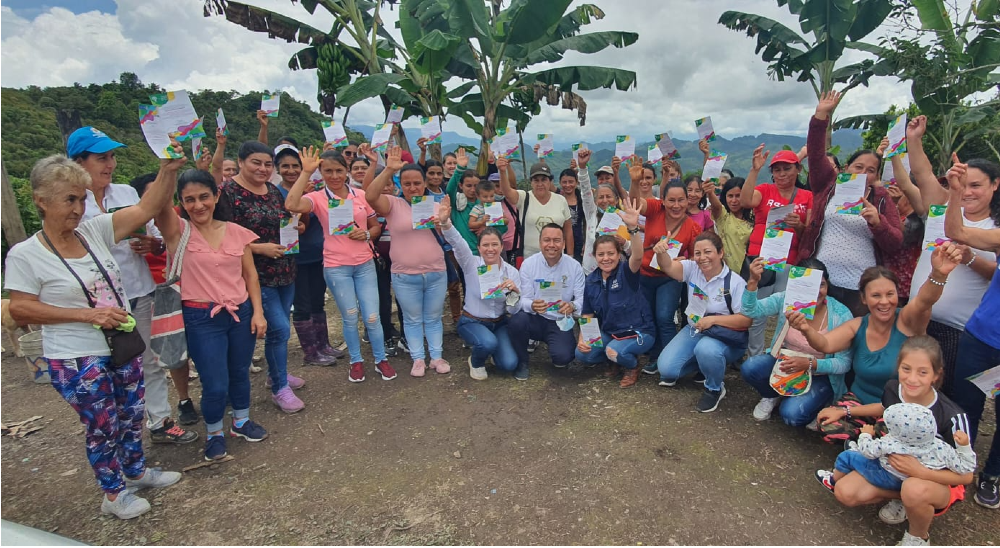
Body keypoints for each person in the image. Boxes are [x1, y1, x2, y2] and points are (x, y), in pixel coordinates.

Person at [5, 151, 185, 520]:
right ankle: (113, 492)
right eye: (69, 198)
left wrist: (168, 170)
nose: (78, 207)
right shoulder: (25, 255)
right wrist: (86, 314)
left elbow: (148, 206)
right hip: (75, 356)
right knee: (103, 424)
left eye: (82, 198)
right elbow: (21, 308)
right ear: (41, 200)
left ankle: (135, 471)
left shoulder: (94, 231)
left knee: (132, 412)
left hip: (120, 344)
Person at [69, 127, 197, 446]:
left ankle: (159, 421)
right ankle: (118, 434)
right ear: (78, 162)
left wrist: (152, 245)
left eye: (111, 156)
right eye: (101, 158)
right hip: (95, 302)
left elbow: (155, 229)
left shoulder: (126, 193)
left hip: (138, 290)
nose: (109, 164)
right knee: (105, 370)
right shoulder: (70, 202)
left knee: (148, 361)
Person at [153, 166, 271, 462]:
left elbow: (251, 276)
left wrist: (258, 313)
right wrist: (168, 166)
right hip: (200, 318)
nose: (198, 205)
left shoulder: (236, 233)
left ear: (217, 196)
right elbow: (157, 204)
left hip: (239, 313)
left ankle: (241, 422)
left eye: (204, 196)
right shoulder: (178, 231)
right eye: (189, 199)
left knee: (239, 373)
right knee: (214, 382)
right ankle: (215, 432)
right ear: (180, 202)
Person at [810, 336, 974, 547]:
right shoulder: (894, 388)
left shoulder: (951, 417)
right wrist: (844, 411)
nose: (912, 379)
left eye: (922, 372)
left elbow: (966, 476)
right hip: (894, 467)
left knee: (914, 488)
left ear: (936, 375)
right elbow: (885, 408)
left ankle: (918, 536)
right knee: (845, 492)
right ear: (898, 367)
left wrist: (920, 472)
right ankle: (905, 499)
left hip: (935, 480)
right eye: (906, 369)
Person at [794, 245, 963, 443]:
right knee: (830, 426)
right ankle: (866, 439)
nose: (884, 302)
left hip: (899, 407)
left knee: (896, 437)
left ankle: (869, 442)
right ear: (864, 299)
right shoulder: (858, 325)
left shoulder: (907, 321)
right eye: (876, 296)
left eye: (890, 294)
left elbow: (925, 300)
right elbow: (824, 344)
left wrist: (938, 274)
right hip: (858, 402)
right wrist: (806, 328)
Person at [286, 146, 395, 383]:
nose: (334, 176)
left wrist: (366, 235)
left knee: (372, 317)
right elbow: (292, 205)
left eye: (338, 170)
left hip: (364, 263)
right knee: (349, 315)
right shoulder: (317, 198)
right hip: (336, 267)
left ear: (346, 171)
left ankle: (380, 359)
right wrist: (305, 172)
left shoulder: (361, 196)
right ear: (321, 172)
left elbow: (376, 226)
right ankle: (356, 361)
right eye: (327, 171)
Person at [905, 117, 999, 395]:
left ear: (995, 185)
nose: (968, 192)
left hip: (958, 329)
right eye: (963, 184)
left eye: (977, 185)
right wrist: (914, 138)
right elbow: (922, 173)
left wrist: (971, 259)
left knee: (950, 396)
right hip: (918, 317)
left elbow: (997, 276)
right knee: (912, 389)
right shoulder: (943, 206)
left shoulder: (994, 229)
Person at [800, 91, 903, 316]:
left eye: (871, 170)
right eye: (858, 167)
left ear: (876, 175)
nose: (863, 173)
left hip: (859, 285)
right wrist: (820, 117)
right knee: (810, 330)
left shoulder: (881, 197)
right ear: (847, 167)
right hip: (821, 279)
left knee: (851, 336)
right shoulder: (829, 185)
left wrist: (879, 223)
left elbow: (896, 242)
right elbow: (816, 156)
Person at [222, 141, 305, 413]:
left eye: (268, 164)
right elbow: (222, 236)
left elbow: (282, 220)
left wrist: (296, 227)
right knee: (279, 328)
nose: (263, 168)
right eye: (256, 163)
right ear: (241, 161)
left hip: (284, 268)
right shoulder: (228, 193)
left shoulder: (271, 190)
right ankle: (280, 387)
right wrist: (259, 248)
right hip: (255, 274)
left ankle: (275, 373)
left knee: (280, 328)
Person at [942, 159, 1000, 509]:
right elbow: (958, 233)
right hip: (981, 337)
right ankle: (960, 466)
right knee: (967, 408)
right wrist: (954, 191)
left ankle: (991, 476)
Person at [365, 146, 451, 377]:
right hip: (405, 274)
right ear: (400, 185)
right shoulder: (393, 205)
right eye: (407, 184)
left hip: (435, 271)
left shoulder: (435, 206)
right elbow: (370, 196)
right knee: (412, 319)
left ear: (424, 184)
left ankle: (436, 356)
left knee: (433, 318)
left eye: (417, 183)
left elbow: (449, 237)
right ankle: (417, 359)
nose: (413, 188)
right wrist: (388, 171)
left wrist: (444, 221)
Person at [740, 257, 854, 427]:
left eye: (821, 285)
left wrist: (810, 363)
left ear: (828, 285)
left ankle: (819, 402)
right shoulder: (787, 300)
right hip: (785, 364)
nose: (816, 292)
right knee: (750, 367)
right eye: (809, 286)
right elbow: (750, 310)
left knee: (791, 416)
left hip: (820, 374)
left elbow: (844, 363)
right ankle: (773, 394)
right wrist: (753, 281)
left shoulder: (841, 315)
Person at [654, 232, 752, 413]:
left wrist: (713, 319)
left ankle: (714, 388)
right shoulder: (692, 269)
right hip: (695, 329)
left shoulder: (736, 283)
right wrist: (661, 252)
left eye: (708, 252)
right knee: (667, 369)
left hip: (722, 336)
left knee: (706, 349)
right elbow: (667, 266)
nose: (702, 258)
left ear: (720, 253)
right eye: (697, 253)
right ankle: (708, 366)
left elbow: (746, 319)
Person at [129, 173, 199, 425]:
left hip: (190, 287)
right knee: (173, 348)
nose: (160, 199)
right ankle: (183, 400)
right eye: (152, 194)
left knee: (199, 342)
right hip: (158, 293)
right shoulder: (133, 222)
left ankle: (216, 388)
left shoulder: (183, 215)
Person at [740, 143, 814, 356]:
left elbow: (809, 234)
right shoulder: (765, 190)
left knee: (786, 314)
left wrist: (798, 226)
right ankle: (754, 355)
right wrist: (755, 169)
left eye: (787, 168)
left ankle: (777, 354)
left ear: (798, 169)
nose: (782, 174)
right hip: (762, 258)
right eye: (777, 169)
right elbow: (745, 201)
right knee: (756, 314)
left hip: (790, 261)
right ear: (771, 173)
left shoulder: (807, 196)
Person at [628, 159, 703, 364]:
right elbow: (635, 205)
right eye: (671, 200)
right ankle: (654, 357)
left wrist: (685, 259)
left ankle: (670, 360)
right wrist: (634, 182)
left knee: (664, 318)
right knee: (648, 317)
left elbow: (698, 256)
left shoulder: (692, 227)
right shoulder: (655, 209)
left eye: (681, 200)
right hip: (645, 274)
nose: (676, 205)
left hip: (669, 278)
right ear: (664, 200)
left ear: (688, 201)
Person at [815, 403, 976, 498]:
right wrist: (964, 447)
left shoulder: (892, 442)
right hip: (909, 482)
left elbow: (869, 451)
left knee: (848, 457)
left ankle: (834, 480)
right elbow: (966, 468)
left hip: (887, 475)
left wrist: (865, 435)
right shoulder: (941, 447)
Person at [436, 198, 520, 380]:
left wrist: (514, 292)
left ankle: (489, 348)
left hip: (499, 323)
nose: (490, 249)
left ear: (501, 246)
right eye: (486, 245)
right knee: (487, 343)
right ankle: (476, 361)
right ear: (479, 248)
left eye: (494, 244)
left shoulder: (511, 272)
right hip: (472, 321)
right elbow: (458, 243)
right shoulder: (470, 263)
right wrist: (445, 222)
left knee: (509, 364)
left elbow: (514, 310)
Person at [575, 198, 655, 389]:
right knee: (582, 354)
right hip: (612, 333)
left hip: (638, 332)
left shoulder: (627, 271)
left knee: (613, 351)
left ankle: (632, 365)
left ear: (619, 255)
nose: (606, 258)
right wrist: (582, 338)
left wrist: (633, 228)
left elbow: (637, 255)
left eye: (611, 253)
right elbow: (587, 313)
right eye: (601, 255)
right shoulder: (592, 280)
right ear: (595, 257)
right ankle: (616, 358)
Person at [273, 145, 341, 367]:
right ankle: (311, 352)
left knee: (317, 301)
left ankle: (324, 344)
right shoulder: (276, 194)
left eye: (295, 166)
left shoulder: (315, 191)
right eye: (285, 166)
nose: (291, 170)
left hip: (316, 253)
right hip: (294, 257)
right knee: (301, 304)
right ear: (278, 169)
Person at [508, 224, 586, 380]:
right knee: (517, 321)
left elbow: (582, 299)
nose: (551, 245)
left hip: (559, 320)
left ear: (564, 243)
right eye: (547, 240)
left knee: (563, 358)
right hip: (535, 318)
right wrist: (531, 305)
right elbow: (522, 299)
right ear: (540, 243)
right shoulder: (529, 264)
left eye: (557, 240)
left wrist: (572, 306)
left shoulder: (575, 267)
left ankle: (552, 344)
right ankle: (523, 361)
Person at [498, 159, 574, 260]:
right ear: (531, 182)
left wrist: (570, 256)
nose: (540, 184)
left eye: (544, 179)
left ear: (550, 181)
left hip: (557, 258)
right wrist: (502, 172)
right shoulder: (524, 198)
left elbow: (568, 230)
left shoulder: (561, 200)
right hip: (530, 258)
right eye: (536, 180)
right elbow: (507, 191)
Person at [706, 177, 753, 274]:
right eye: (730, 196)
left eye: (738, 196)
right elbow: (717, 206)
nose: (734, 200)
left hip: (751, 271)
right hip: (728, 273)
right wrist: (710, 193)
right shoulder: (724, 216)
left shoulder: (755, 216)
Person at [558, 168, 587, 262]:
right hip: (561, 242)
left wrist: (586, 242)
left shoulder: (582, 201)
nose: (567, 185)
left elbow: (586, 223)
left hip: (579, 242)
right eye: (564, 182)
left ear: (576, 182)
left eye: (571, 182)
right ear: (560, 183)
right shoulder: (557, 200)